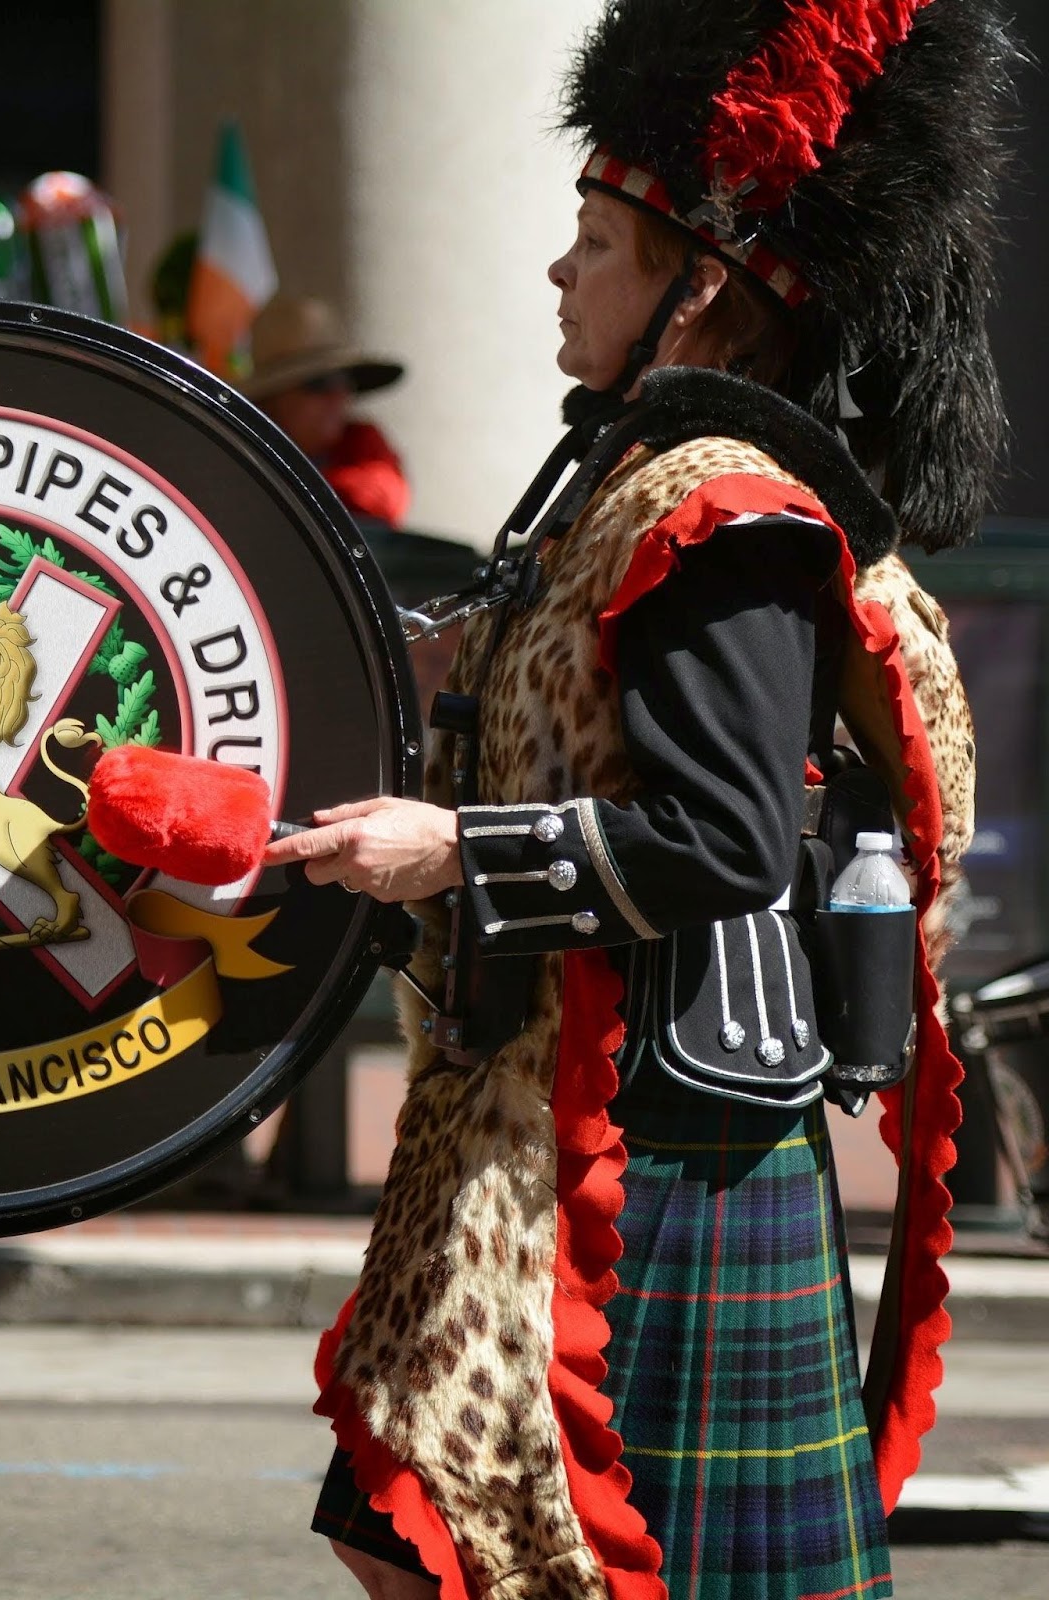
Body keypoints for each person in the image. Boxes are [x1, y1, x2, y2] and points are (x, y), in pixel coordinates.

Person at [263, 3, 1012, 1597]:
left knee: (467, 1548)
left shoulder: (726, 512)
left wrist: (451, 851)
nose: (561, 270)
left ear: (704, 290)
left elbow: (726, 839)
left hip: (652, 1127)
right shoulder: (633, 484)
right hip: (550, 1099)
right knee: (409, 1532)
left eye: (597, 241)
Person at [243, 294, 411, 530]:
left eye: (345, 381)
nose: (338, 396)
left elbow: (382, 499)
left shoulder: (361, 442)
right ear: (271, 399)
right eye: (320, 383)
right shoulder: (242, 453)